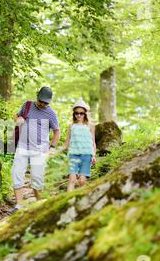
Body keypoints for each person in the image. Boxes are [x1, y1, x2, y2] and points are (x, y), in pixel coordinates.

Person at [10, 86, 60, 214]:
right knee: (17, 173)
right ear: (37, 96)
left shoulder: (51, 114)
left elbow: (56, 132)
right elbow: (16, 116)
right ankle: (19, 205)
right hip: (22, 147)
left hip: (40, 150)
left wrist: (52, 148)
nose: (43, 104)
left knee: (37, 179)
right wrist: (18, 119)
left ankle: (39, 206)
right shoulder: (27, 105)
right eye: (41, 101)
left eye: (46, 102)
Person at [60, 98, 96, 192]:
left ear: (85, 114)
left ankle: (82, 201)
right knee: (71, 179)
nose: (79, 115)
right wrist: (54, 151)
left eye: (81, 113)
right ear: (74, 114)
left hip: (86, 155)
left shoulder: (90, 126)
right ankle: (68, 201)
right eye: (76, 113)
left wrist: (94, 155)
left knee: (82, 181)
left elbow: (93, 142)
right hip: (73, 155)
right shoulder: (72, 126)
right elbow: (66, 143)